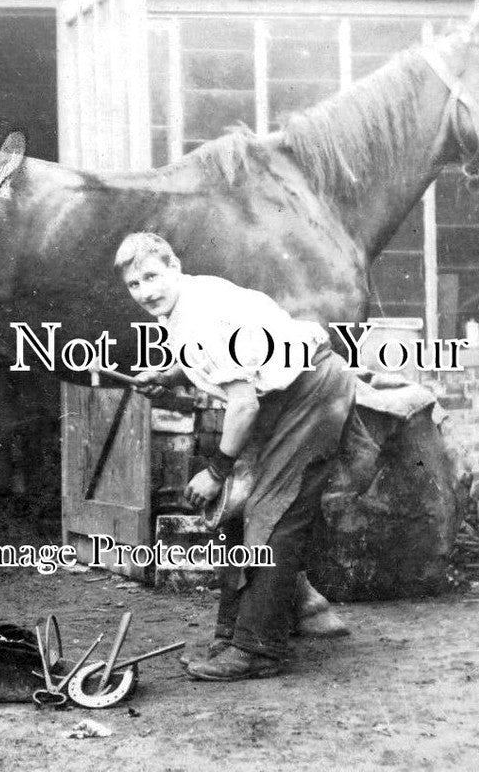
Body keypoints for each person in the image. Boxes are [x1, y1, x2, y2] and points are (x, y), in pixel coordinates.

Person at [115, 232, 372, 680]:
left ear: (174, 265)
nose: (146, 292)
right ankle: (232, 636)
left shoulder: (198, 313)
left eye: (152, 276)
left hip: (309, 392)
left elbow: (244, 404)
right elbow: (217, 360)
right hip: (284, 394)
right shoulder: (185, 303)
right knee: (240, 514)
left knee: (271, 510)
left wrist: (216, 471)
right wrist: (172, 376)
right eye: (135, 285)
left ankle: (259, 651)